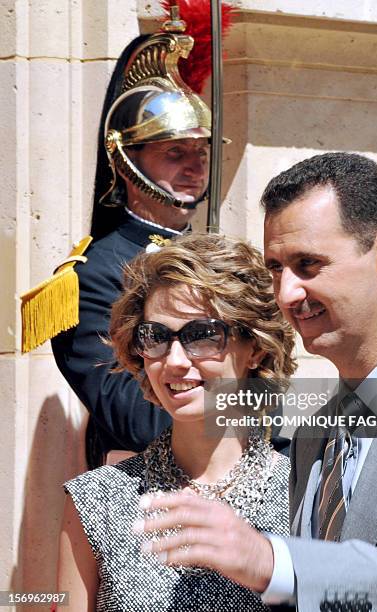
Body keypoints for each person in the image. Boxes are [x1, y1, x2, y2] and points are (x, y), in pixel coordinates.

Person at [137, 153, 377, 611]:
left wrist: (270, 560)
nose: (286, 294)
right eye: (275, 268)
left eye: (309, 264)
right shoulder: (314, 432)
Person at [57, 233, 297, 611]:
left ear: (256, 347)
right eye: (156, 336)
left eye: (201, 336)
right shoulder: (96, 500)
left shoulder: (304, 496)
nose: (174, 361)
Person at [50, 13, 218, 464]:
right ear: (128, 162)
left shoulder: (217, 259)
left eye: (200, 152)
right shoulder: (91, 275)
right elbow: (136, 419)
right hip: (145, 494)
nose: (194, 166)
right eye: (174, 153)